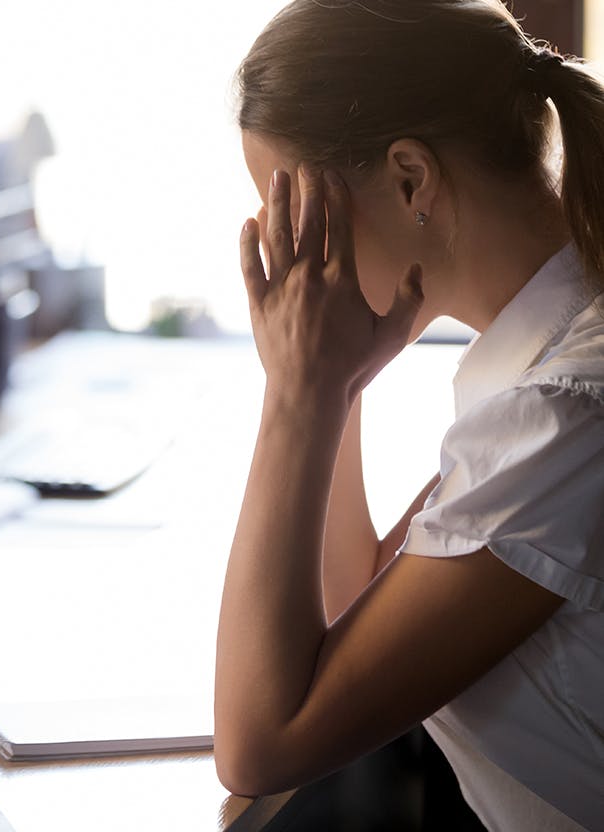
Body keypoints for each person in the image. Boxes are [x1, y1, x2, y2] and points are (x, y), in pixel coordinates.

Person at [213, 2, 604, 830]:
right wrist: (336, 381)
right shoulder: (549, 356)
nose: (289, 251)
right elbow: (362, 616)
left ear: (410, 179)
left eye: (292, 209)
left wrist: (297, 391)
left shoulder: (563, 415)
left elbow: (261, 741)